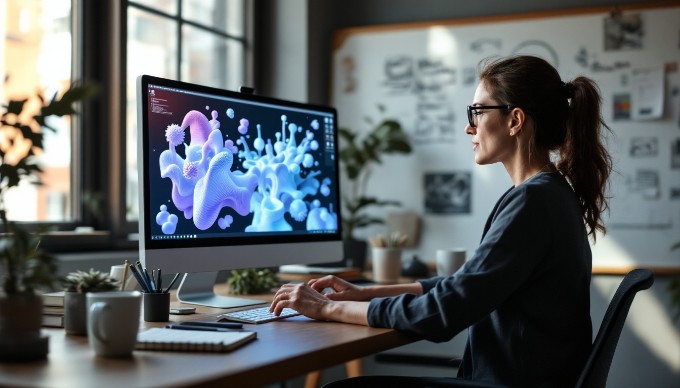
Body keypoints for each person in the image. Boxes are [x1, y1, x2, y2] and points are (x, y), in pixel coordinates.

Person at [270, 55, 613, 387]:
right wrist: (363, 294)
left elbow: (445, 311)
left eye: (478, 112)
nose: (469, 127)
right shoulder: (551, 193)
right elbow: (464, 286)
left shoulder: (533, 201)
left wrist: (330, 308)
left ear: (515, 120)